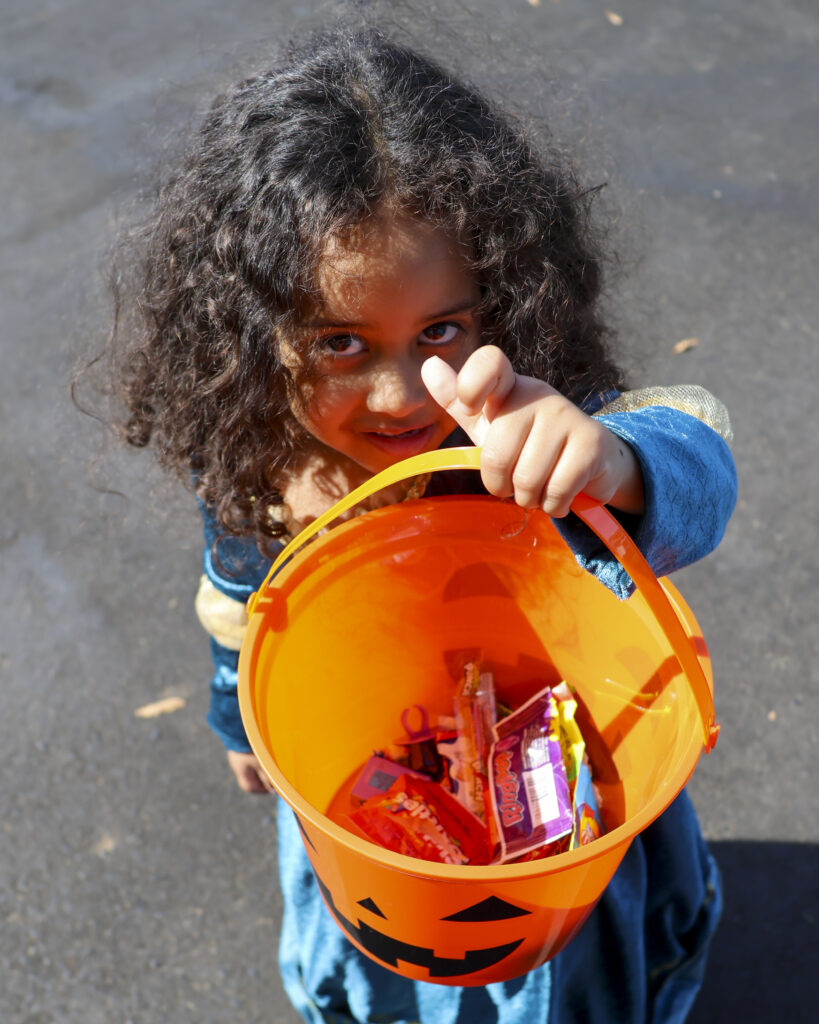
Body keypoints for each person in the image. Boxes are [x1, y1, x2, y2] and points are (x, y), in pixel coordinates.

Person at [105, 23, 737, 1024]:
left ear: (501, 297)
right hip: (367, 844)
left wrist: (609, 458)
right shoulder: (257, 468)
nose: (404, 392)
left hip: (552, 876)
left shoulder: (525, 434)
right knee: (378, 970)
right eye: (341, 341)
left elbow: (700, 466)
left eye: (441, 327)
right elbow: (235, 609)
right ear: (250, 339)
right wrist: (237, 718)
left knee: (558, 986)